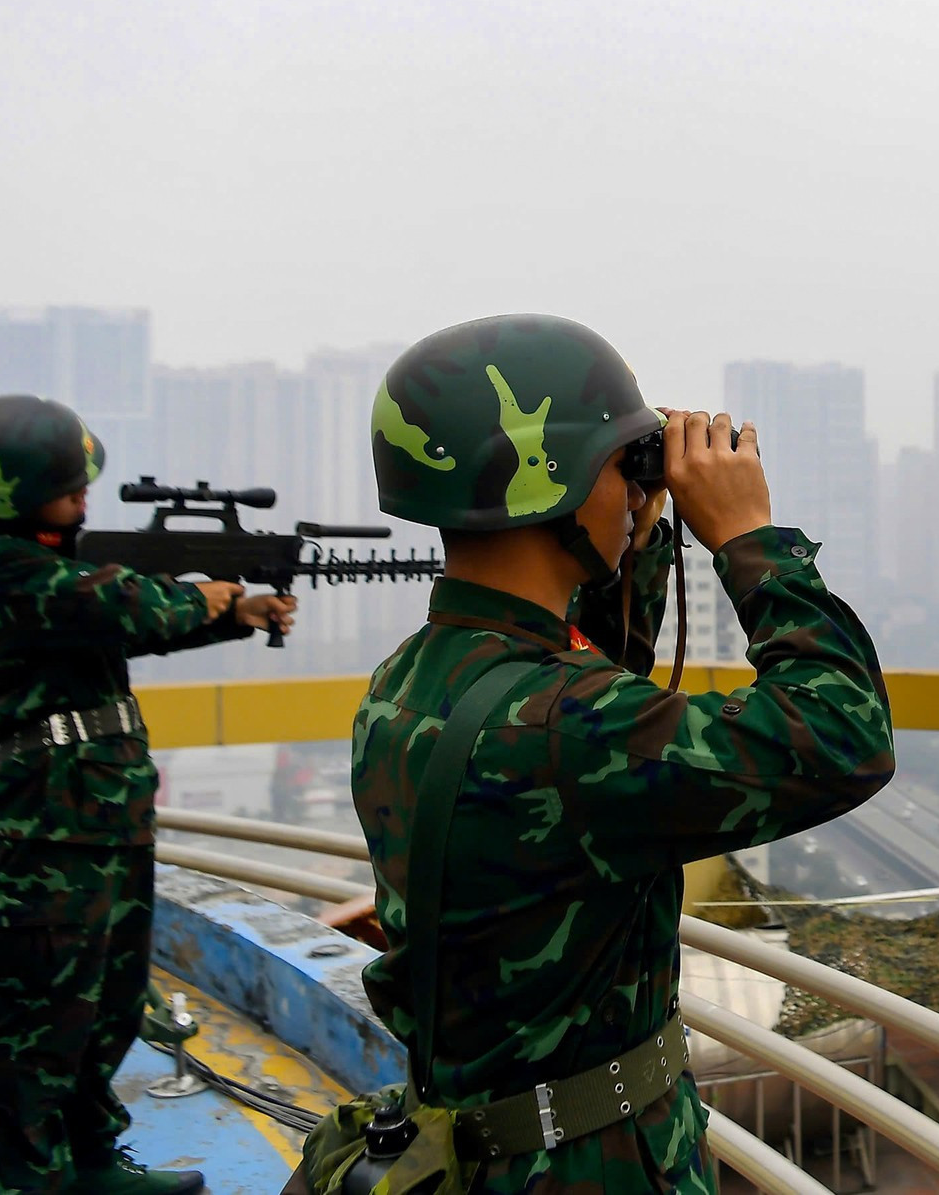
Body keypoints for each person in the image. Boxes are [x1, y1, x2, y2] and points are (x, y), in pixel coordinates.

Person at [340, 314, 894, 1193]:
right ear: (553, 480)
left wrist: (638, 527)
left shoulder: (405, 683)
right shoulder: (571, 728)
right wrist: (751, 542)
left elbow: (591, 681)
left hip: (480, 1151)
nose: (636, 493)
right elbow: (844, 737)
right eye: (621, 470)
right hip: (595, 1166)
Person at [0, 394, 297, 1195]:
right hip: (44, 829)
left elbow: (128, 620)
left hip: (103, 814)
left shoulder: (57, 555)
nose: (82, 494)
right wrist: (204, 595)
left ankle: (92, 1161)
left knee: (105, 1005)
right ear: (10, 490)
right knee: (35, 1022)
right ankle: (22, 1182)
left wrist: (236, 611)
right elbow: (117, 604)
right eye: (66, 482)